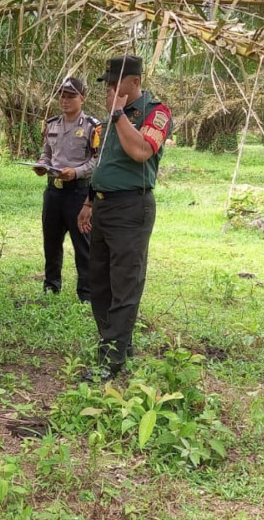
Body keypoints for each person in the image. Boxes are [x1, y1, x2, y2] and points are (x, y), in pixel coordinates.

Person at [77, 55, 171, 380]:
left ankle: (110, 360)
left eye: (117, 85)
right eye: (109, 86)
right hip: (103, 206)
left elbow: (141, 151)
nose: (112, 91)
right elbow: (105, 162)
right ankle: (117, 341)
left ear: (134, 82)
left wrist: (118, 115)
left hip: (132, 207)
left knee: (125, 283)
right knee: (99, 283)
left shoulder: (155, 113)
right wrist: (89, 202)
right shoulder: (112, 119)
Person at [32, 77, 101, 302]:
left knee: (83, 245)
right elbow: (47, 154)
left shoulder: (92, 126)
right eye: (62, 95)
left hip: (78, 194)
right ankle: (51, 287)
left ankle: (87, 293)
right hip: (53, 192)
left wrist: (76, 172)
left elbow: (97, 161)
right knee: (51, 242)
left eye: (71, 96)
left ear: (83, 98)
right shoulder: (51, 124)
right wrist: (42, 165)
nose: (65, 100)